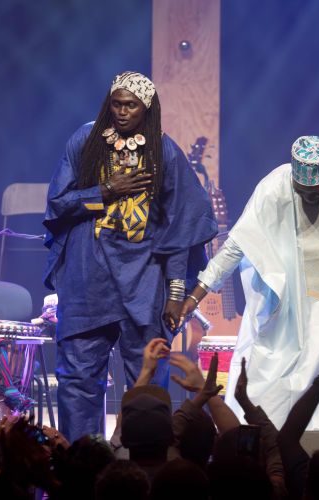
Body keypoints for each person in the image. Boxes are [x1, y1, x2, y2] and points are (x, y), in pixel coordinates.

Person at [43, 71, 217, 443]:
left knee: (148, 384)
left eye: (131, 106)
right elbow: (58, 203)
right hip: (88, 280)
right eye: (116, 104)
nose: (122, 112)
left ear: (147, 109)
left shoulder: (164, 152)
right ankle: (81, 463)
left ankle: (146, 465)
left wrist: (175, 293)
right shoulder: (86, 141)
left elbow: (181, 226)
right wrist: (105, 190)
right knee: (78, 380)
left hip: (144, 284)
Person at [180, 135, 319, 430]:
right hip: (278, 304)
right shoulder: (272, 189)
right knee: (263, 384)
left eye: (317, 192)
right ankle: (253, 448)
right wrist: (194, 297)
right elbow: (236, 246)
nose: (309, 199)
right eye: (302, 191)